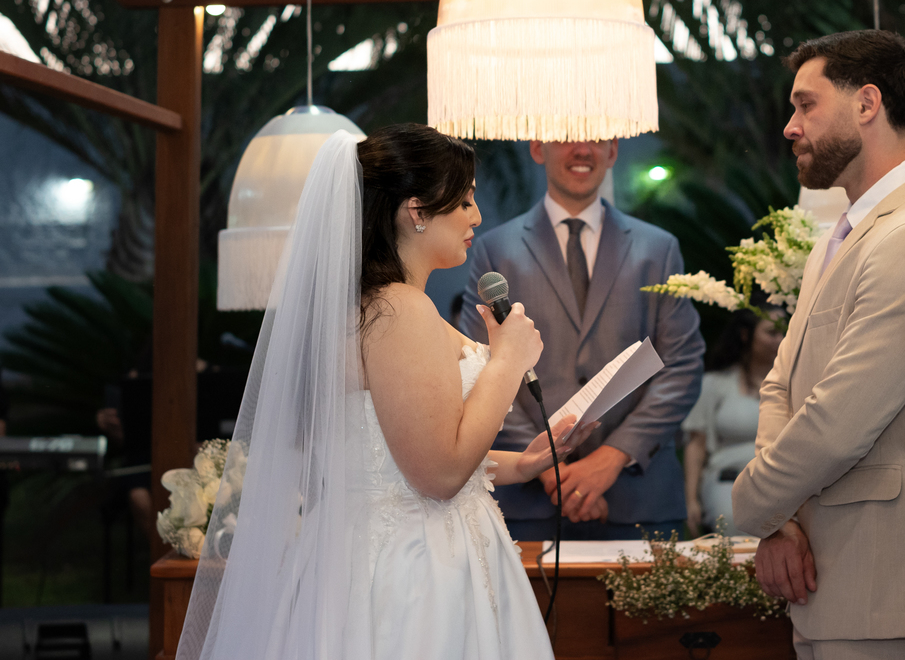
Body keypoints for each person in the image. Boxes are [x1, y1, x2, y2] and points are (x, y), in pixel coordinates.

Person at [176, 124, 596, 660]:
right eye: (464, 201)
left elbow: (404, 446)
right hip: (415, 566)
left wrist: (521, 464)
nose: (476, 216)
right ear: (416, 211)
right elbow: (437, 475)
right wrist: (508, 362)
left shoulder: (380, 304)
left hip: (387, 546)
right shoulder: (400, 309)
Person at [730, 30, 905, 659]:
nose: (790, 127)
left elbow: (836, 425)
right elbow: (781, 385)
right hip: (832, 585)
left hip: (896, 585)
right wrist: (781, 521)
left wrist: (750, 507)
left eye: (806, 105)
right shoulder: (841, 238)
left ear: (867, 102)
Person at [461, 139, 705, 540]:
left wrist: (612, 457)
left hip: (640, 499)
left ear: (613, 151)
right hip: (529, 505)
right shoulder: (494, 250)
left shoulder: (659, 249)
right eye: (566, 138)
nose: (582, 150)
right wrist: (547, 467)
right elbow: (481, 367)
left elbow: (682, 365)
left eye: (596, 139)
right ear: (537, 149)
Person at [682, 308, 782, 536]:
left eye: (784, 332)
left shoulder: (795, 385)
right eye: (772, 332)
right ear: (746, 335)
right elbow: (696, 444)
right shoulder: (715, 383)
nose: (780, 339)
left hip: (783, 484)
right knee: (732, 518)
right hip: (730, 482)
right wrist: (691, 500)